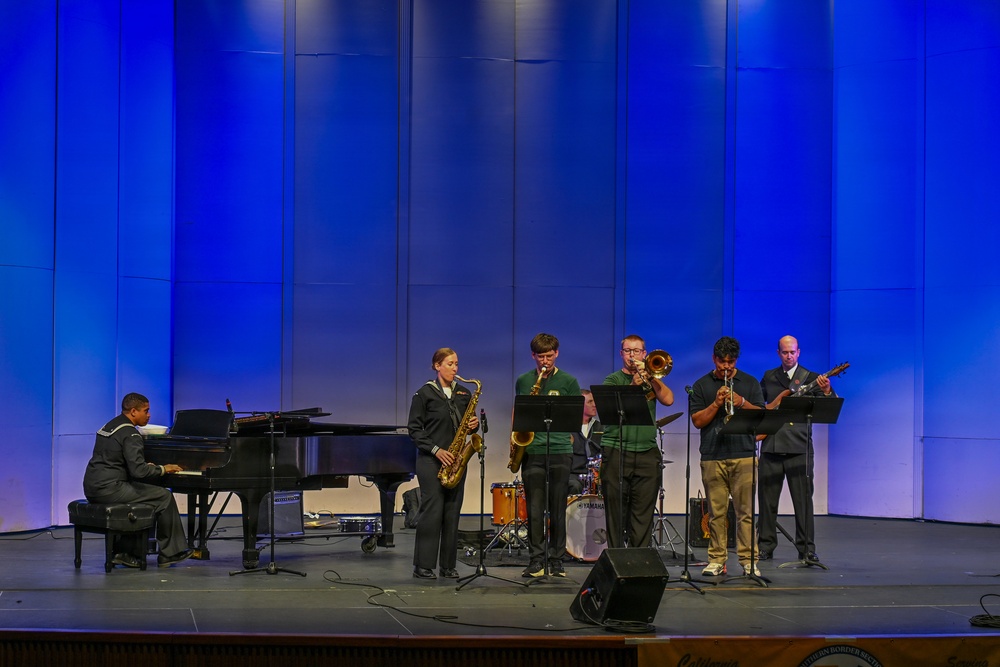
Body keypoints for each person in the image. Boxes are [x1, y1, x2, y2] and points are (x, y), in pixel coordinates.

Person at [83, 393, 194, 569]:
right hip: (111, 489)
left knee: (146, 494)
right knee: (163, 496)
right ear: (133, 411)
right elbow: (139, 472)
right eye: (146, 411)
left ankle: (127, 553)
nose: (149, 415)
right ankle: (171, 553)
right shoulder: (131, 434)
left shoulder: (110, 426)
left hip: (93, 486)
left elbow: (117, 461)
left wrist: (144, 466)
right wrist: (164, 468)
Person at [690, 336, 765, 577]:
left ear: (736, 360)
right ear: (714, 359)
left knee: (745, 512)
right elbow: (697, 421)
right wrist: (716, 403)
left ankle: (748, 560)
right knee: (716, 513)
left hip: (743, 454)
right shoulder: (701, 385)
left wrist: (741, 402)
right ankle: (717, 559)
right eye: (722, 361)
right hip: (713, 455)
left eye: (731, 362)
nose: (726, 367)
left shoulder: (750, 382)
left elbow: (761, 416)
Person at [757, 335, 835, 564]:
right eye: (784, 352)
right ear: (778, 353)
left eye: (792, 352)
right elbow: (761, 405)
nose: (789, 356)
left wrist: (828, 390)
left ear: (799, 352)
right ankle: (765, 546)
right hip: (772, 445)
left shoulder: (811, 378)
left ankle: (806, 549)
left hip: (799, 447)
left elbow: (829, 407)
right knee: (767, 501)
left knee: (803, 502)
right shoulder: (769, 377)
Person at [408, 347, 480, 580]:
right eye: (450, 364)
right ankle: (423, 565)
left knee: (452, 511)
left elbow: (467, 423)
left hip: (457, 460)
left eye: (456, 364)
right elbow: (414, 430)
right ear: (437, 366)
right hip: (431, 459)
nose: (455, 369)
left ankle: (448, 566)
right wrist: (437, 450)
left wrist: (474, 426)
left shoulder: (464, 394)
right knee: (432, 511)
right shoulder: (424, 394)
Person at [515, 333, 581, 578]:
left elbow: (574, 418)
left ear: (557, 353)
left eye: (550, 355)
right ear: (533, 355)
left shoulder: (569, 381)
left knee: (557, 508)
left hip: (561, 450)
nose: (545, 361)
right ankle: (535, 559)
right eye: (541, 356)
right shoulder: (523, 380)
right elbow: (519, 413)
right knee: (534, 508)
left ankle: (556, 559)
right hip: (533, 450)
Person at [600, 334, 674, 549]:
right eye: (627, 351)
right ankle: (616, 559)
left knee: (643, 513)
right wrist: (633, 385)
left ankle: (639, 560)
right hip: (616, 450)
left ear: (644, 354)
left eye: (636, 351)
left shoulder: (651, 379)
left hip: (646, 452)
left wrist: (651, 378)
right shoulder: (612, 380)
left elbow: (668, 400)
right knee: (616, 512)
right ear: (621, 354)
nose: (632, 355)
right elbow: (611, 410)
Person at [568, 389, 602, 496]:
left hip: (595, 475)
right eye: (590, 402)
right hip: (573, 475)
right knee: (574, 486)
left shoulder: (601, 427)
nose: (595, 405)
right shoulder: (568, 427)